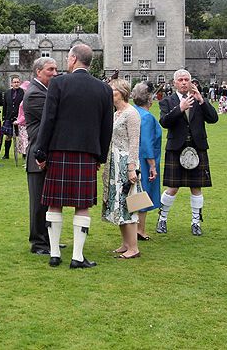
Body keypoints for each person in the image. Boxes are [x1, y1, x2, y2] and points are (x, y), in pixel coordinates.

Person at [34, 44, 113, 269]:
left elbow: (48, 120)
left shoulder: (58, 83)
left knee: (54, 204)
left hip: (58, 150)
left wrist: (41, 150)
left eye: (67, 57)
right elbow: (106, 127)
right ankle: (77, 257)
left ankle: (55, 254)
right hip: (88, 152)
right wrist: (101, 157)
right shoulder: (104, 89)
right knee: (82, 206)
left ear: (74, 59)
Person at [156, 69, 218, 236]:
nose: (184, 82)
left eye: (186, 80)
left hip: (197, 147)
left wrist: (202, 101)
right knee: (173, 187)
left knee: (196, 187)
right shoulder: (168, 101)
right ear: (175, 83)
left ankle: (196, 223)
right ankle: (162, 219)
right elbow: (165, 122)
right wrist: (180, 108)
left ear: (191, 82)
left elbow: (213, 118)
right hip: (177, 147)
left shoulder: (198, 100)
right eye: (181, 80)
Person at [102, 79, 142, 259]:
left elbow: (134, 143)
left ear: (122, 92)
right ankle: (125, 243)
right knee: (118, 202)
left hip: (126, 161)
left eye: (113, 90)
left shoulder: (131, 113)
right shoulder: (116, 113)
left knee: (129, 203)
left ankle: (134, 248)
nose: (110, 93)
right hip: (114, 163)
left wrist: (132, 168)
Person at [23, 57, 58, 255]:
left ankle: (49, 239)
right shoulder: (35, 94)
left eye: (55, 69)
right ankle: (38, 243)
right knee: (38, 203)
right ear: (38, 72)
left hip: (46, 154)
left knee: (49, 201)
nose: (54, 73)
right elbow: (53, 118)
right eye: (50, 70)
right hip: (37, 156)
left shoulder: (44, 91)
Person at [131, 82, 162, 240]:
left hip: (134, 158)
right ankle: (140, 230)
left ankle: (136, 228)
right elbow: (147, 143)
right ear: (149, 98)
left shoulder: (134, 112)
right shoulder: (147, 117)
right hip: (144, 160)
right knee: (143, 194)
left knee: (137, 194)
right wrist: (152, 166)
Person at [1, 76, 23, 159]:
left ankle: (24, 154)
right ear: (11, 83)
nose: (16, 84)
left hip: (19, 117)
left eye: (17, 82)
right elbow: (5, 106)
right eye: (14, 82)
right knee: (8, 136)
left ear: (19, 83)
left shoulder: (23, 92)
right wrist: (4, 117)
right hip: (9, 117)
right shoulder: (7, 93)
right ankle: (6, 154)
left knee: (21, 137)